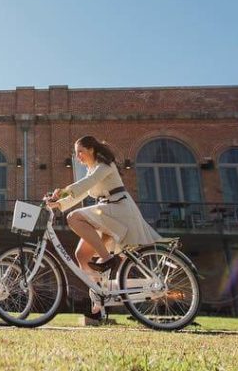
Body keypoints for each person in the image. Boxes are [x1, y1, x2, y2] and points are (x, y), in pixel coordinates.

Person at [44, 135, 164, 316]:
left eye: (80, 152)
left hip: (119, 211)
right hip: (107, 213)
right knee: (82, 255)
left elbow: (85, 185)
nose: (78, 157)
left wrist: (62, 192)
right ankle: (99, 300)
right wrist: (59, 204)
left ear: (91, 149)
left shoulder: (105, 165)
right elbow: (82, 193)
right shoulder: (92, 170)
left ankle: (107, 259)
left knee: (74, 218)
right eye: (76, 154)